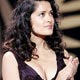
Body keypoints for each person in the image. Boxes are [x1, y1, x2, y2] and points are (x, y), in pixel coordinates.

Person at [2, 0, 79, 80]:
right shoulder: (11, 58)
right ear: (26, 19)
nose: (49, 19)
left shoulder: (62, 54)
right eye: (42, 14)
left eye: (51, 13)